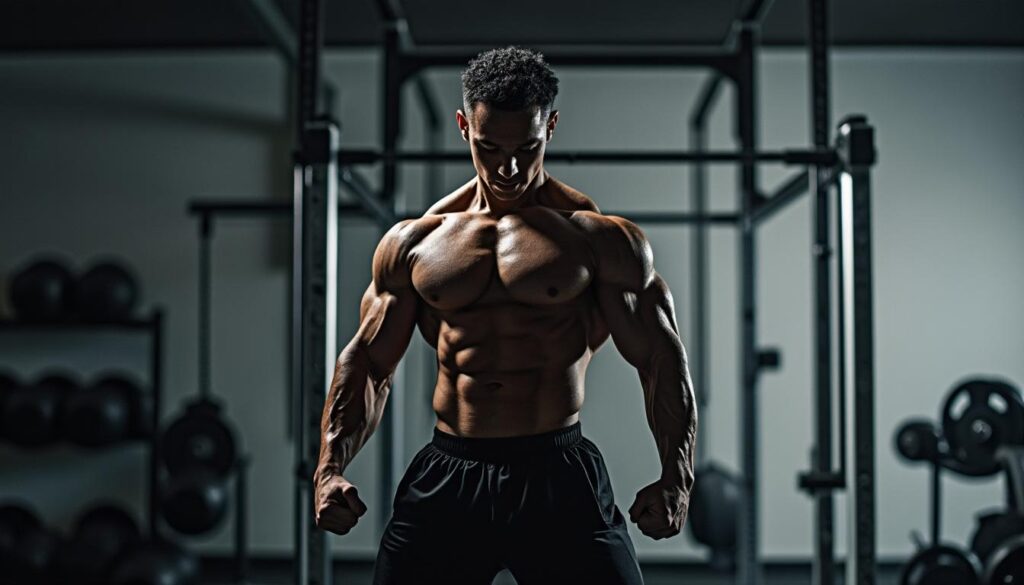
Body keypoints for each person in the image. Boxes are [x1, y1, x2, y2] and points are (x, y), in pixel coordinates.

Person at [313, 46, 697, 585]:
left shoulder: (599, 241)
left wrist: (676, 478)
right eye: (489, 146)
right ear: (463, 126)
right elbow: (371, 363)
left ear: (551, 126)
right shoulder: (417, 243)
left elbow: (660, 357)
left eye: (527, 147)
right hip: (449, 472)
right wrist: (329, 470)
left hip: (558, 474)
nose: (508, 168)